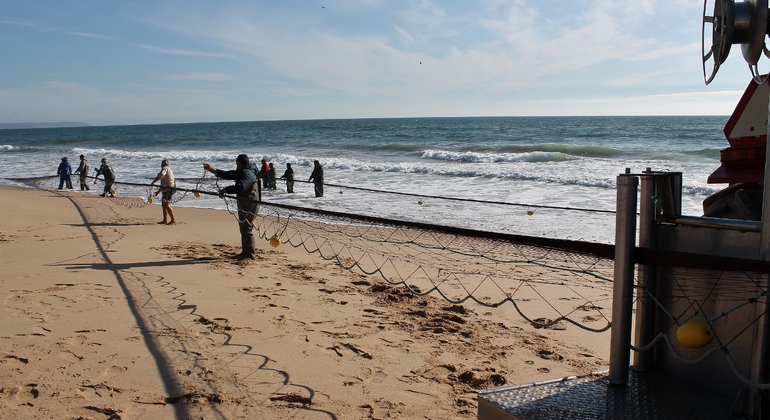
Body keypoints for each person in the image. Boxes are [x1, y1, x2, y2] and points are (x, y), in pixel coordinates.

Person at [203, 154, 259, 259]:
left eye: (236, 163)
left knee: (247, 228)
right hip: (245, 203)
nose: (236, 165)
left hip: (250, 204)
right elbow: (227, 174)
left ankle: (249, 254)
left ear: (239, 163)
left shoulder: (247, 173)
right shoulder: (243, 171)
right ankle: (245, 252)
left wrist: (225, 190)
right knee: (244, 227)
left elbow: (241, 187)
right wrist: (212, 170)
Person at [150, 159, 177, 225]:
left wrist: (153, 182)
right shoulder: (169, 170)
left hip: (169, 189)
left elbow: (161, 175)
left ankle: (173, 220)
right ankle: (165, 220)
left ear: (163, 164)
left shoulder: (165, 168)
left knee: (166, 205)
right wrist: (158, 191)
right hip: (166, 188)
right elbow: (164, 183)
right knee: (163, 205)